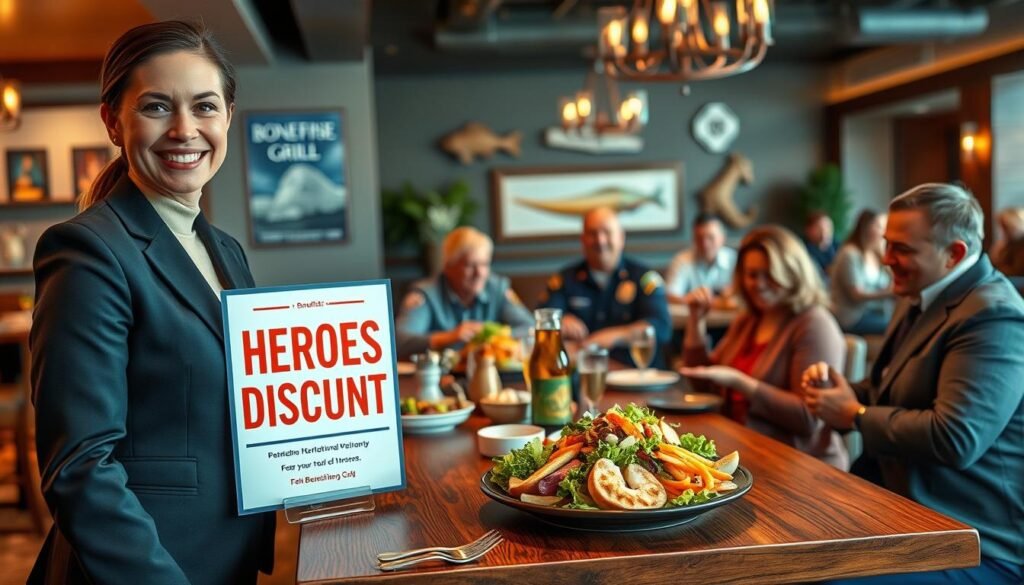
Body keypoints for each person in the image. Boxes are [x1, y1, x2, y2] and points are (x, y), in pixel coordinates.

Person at [29, 21, 274, 584]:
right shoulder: (87, 251)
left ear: (228, 117)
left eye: (205, 106)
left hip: (224, 555)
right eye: (157, 107)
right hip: (148, 567)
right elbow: (80, 467)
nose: (185, 130)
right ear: (114, 122)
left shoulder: (225, 249)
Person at [803, 183, 1024, 584]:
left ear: (954, 253)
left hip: (972, 540)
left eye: (901, 249)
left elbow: (955, 437)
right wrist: (842, 392)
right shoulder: (921, 293)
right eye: (886, 244)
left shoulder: (995, 315)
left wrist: (855, 414)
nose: (887, 259)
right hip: (899, 509)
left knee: (810, 576)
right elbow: (888, 391)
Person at [680, 225, 848, 469]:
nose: (758, 284)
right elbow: (703, 384)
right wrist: (696, 321)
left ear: (792, 273)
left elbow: (808, 418)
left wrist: (740, 382)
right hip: (744, 452)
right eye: (752, 274)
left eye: (769, 274)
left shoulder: (814, 324)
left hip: (800, 466)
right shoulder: (748, 319)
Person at [539, 206, 671, 367]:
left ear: (621, 238)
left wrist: (614, 336)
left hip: (635, 374)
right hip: (583, 373)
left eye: (607, 232)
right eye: (592, 233)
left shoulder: (644, 278)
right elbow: (543, 317)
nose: (600, 241)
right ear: (583, 240)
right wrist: (560, 320)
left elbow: (661, 328)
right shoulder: (565, 279)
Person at [396, 226, 533, 358]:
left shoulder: (498, 289)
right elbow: (400, 340)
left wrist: (491, 336)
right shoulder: (426, 294)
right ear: (448, 266)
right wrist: (449, 337)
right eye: (470, 265)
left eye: (484, 264)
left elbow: (530, 328)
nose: (479, 273)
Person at [830, 210, 894, 335]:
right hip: (851, 317)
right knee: (894, 327)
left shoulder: (876, 253)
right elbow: (856, 295)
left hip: (872, 312)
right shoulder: (849, 254)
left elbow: (893, 278)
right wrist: (889, 293)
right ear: (866, 228)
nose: (884, 232)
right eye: (879, 226)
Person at [664, 213, 737, 304]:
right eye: (699, 238)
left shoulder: (735, 260)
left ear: (722, 238)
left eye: (710, 237)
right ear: (693, 239)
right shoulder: (681, 260)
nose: (705, 244)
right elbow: (670, 296)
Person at [803, 210, 838, 279]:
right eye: (819, 228)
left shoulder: (838, 245)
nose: (825, 232)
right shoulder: (804, 251)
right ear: (808, 230)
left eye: (828, 227)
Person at [991, 206, 1024, 277]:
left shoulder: (1020, 244)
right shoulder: (1004, 244)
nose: (1003, 231)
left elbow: (1017, 271)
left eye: (1006, 226)